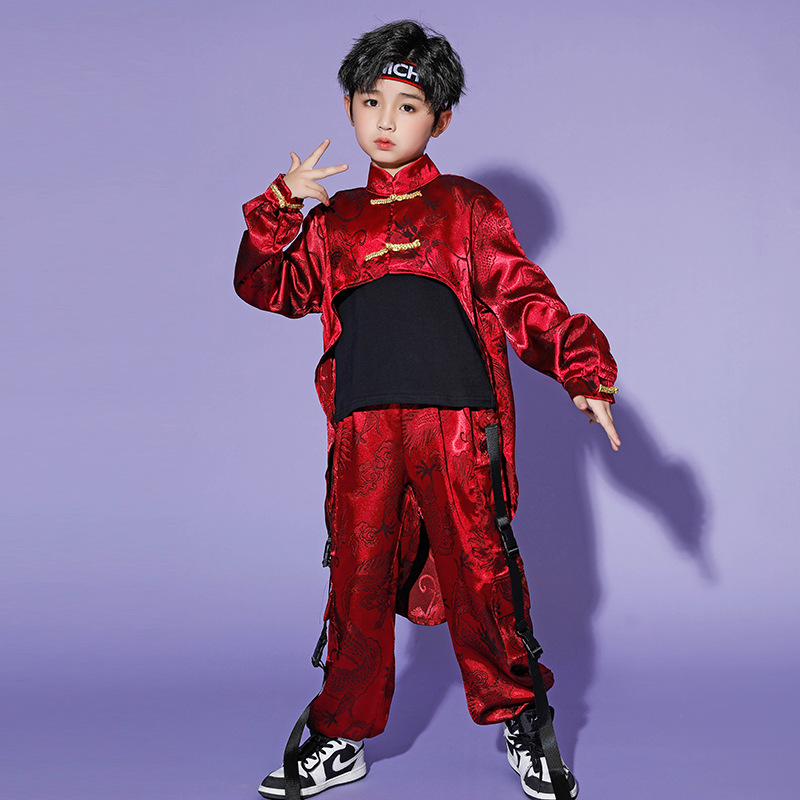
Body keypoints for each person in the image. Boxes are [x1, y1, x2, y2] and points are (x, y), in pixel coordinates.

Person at [234, 19, 620, 800]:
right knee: (358, 581)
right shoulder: (333, 222)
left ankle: (523, 719)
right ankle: (341, 734)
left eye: (407, 106)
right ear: (350, 107)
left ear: (439, 120)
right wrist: (280, 206)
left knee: (483, 576)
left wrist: (583, 369)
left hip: (457, 429)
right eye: (370, 101)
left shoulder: (465, 207)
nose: (385, 120)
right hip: (364, 431)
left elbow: (526, 298)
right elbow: (266, 286)